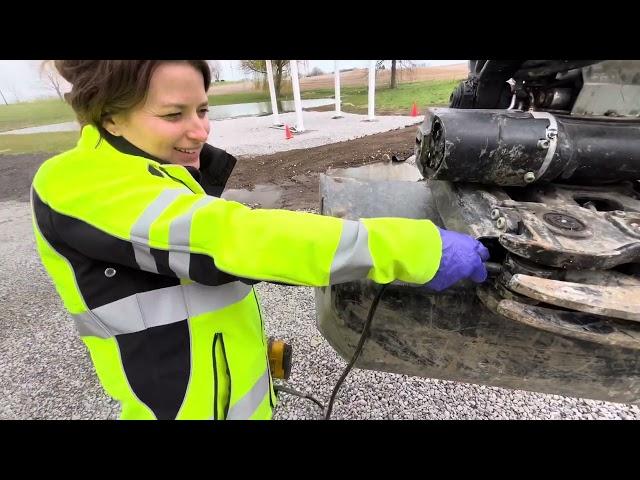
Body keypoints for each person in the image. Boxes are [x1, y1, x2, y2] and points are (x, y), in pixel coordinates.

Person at [30, 60, 489, 420]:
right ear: (110, 118)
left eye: (203, 109)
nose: (200, 130)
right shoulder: (76, 182)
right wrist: (415, 249)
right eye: (174, 114)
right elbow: (238, 238)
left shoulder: (155, 174)